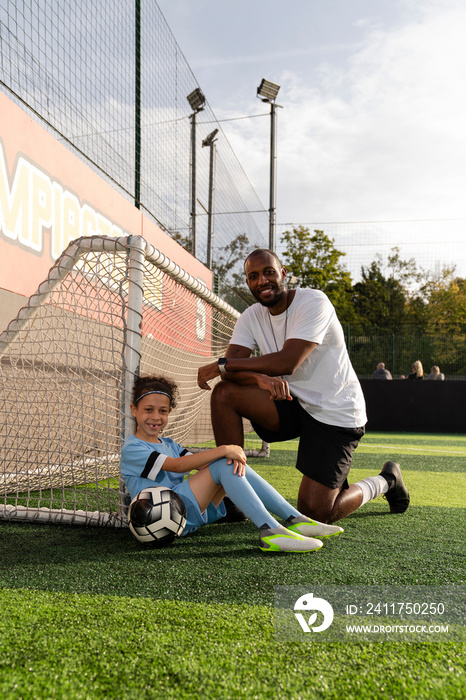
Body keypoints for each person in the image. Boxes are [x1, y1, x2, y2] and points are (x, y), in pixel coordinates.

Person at [197, 248, 410, 524]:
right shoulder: (251, 316)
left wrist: (222, 365)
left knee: (315, 513)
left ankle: (386, 480)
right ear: (248, 283)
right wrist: (258, 378)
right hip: (291, 403)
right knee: (225, 394)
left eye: (269, 272)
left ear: (283, 274)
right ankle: (232, 495)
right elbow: (231, 372)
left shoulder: (313, 302)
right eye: (253, 276)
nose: (262, 280)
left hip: (335, 412)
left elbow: (287, 362)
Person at [120, 374, 345, 553]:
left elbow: (198, 465)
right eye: (148, 410)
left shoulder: (169, 443)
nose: (155, 417)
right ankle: (272, 531)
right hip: (159, 520)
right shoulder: (133, 448)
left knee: (229, 462)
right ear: (134, 410)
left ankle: (297, 520)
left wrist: (228, 455)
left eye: (163, 411)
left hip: (181, 514)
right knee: (225, 461)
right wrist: (225, 448)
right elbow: (179, 466)